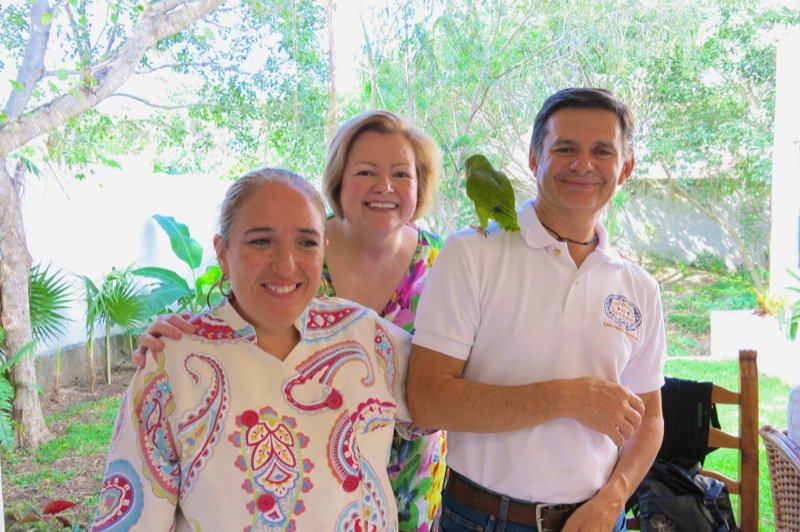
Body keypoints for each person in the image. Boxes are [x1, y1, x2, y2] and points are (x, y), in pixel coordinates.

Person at [132, 110, 447, 531]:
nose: (286, 263)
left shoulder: (393, 312)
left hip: (410, 485)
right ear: (222, 253)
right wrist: (172, 349)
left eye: (305, 243)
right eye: (261, 241)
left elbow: (458, 384)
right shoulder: (177, 363)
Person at [406, 88, 666, 532]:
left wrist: (614, 498)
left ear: (625, 167)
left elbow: (651, 417)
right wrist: (569, 398)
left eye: (601, 151)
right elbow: (427, 401)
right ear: (533, 157)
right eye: (565, 148)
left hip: (599, 520)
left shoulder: (639, 287)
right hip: (483, 520)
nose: (583, 164)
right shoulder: (472, 253)